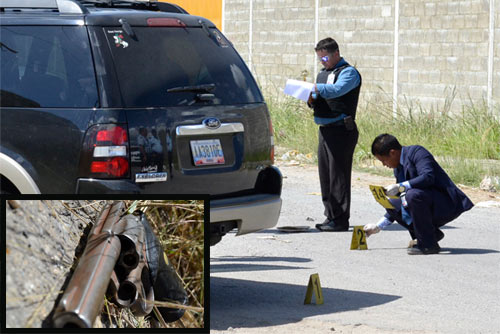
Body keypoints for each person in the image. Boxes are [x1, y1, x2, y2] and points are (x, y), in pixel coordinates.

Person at [364, 134, 474, 255]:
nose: (385, 165)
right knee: (392, 201)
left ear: (393, 153)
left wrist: (401, 187)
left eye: (383, 160)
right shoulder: (398, 168)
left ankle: (428, 245)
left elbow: (428, 177)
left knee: (412, 195)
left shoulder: (417, 152)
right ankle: (430, 235)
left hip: (444, 204)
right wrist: (378, 226)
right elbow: (399, 201)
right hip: (426, 204)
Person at [307, 37, 362, 232]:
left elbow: (338, 90)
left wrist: (316, 89)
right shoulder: (324, 73)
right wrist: (310, 97)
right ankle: (330, 215)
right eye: (319, 59)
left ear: (336, 53)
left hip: (341, 130)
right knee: (326, 176)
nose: (323, 62)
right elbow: (319, 96)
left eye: (325, 58)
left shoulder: (349, 73)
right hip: (324, 129)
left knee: (338, 177)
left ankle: (340, 220)